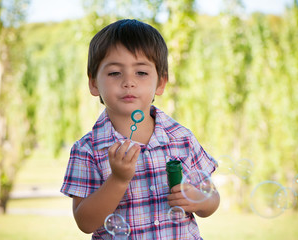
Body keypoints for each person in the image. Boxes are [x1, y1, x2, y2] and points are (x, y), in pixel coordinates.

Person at [60, 19, 220, 239]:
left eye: (141, 73)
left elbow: (212, 200)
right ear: (94, 83)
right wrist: (117, 180)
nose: (128, 82)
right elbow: (85, 222)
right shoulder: (87, 150)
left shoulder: (181, 138)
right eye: (115, 73)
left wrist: (197, 199)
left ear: (161, 83)